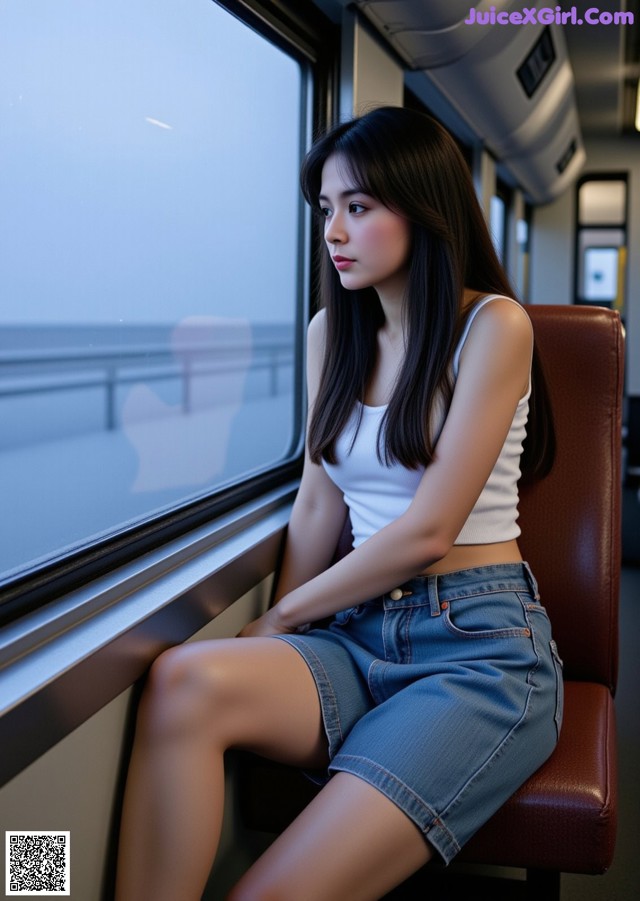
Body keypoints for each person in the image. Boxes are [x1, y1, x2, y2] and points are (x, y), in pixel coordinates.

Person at [114, 106, 561, 901]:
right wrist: (287, 622)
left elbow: (428, 532)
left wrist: (284, 617)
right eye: (327, 210)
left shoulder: (494, 325)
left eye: (359, 207)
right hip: (357, 635)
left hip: (477, 646)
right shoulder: (333, 333)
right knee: (182, 679)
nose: (334, 231)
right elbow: (320, 506)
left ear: (422, 209)